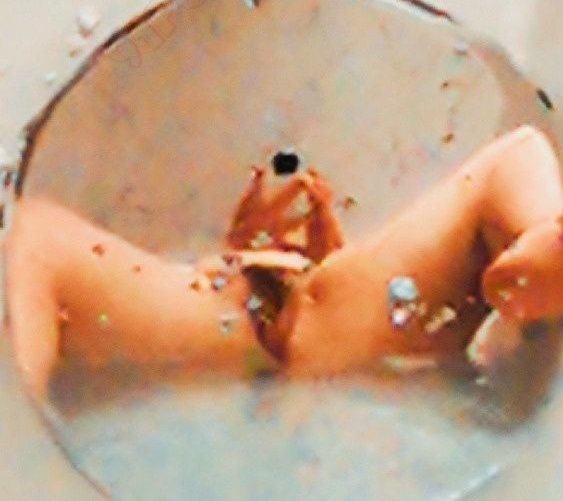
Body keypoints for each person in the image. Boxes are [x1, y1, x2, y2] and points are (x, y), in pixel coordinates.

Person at [5, 125, 563, 398]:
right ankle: (542, 231)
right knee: (515, 156)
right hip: (299, 321)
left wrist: (257, 264)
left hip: (264, 320)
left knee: (35, 237)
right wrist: (253, 258)